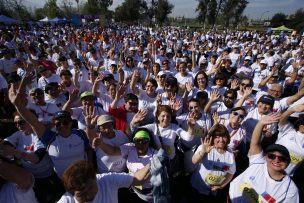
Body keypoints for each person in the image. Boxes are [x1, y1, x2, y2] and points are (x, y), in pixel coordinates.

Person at [229, 113, 299, 203]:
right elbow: (255, 143)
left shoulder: (290, 190)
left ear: (288, 162)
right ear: (265, 157)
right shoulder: (258, 162)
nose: (276, 160)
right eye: (272, 156)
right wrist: (261, 123)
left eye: (282, 158)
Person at [92, 128, 157, 202]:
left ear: (149, 141)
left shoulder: (155, 155)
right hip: (132, 188)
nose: (140, 143)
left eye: (144, 141)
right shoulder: (130, 147)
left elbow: (143, 178)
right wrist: (101, 144)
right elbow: (113, 151)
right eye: (137, 140)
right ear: (134, 141)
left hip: (148, 192)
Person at [57, 160, 150, 203]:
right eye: (81, 195)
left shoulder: (107, 180)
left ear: (95, 177)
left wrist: (153, 163)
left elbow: (138, 179)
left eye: (90, 188)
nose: (88, 196)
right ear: (71, 194)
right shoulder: (66, 200)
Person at [190, 124, 236, 203]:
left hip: (212, 192)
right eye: (217, 137)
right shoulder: (204, 147)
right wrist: (203, 152)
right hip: (197, 188)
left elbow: (231, 172)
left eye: (224, 136)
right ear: (212, 138)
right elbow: (194, 161)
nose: (221, 140)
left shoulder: (230, 154)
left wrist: (221, 186)